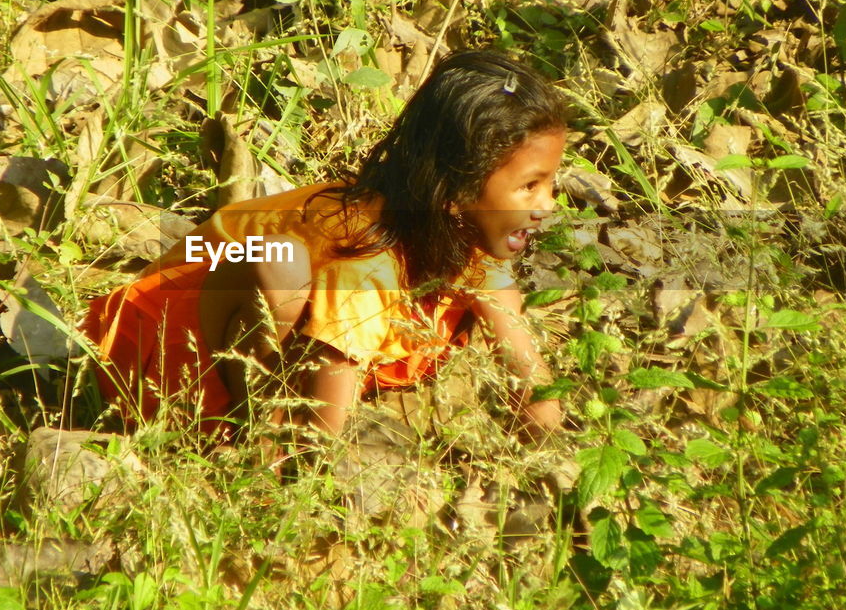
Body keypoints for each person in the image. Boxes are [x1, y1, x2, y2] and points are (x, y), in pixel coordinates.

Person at [83, 49, 567, 445]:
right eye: (529, 186)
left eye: (550, 183)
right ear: (457, 194)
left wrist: (554, 466)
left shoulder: (466, 237)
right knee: (284, 265)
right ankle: (258, 442)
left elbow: (531, 382)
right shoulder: (363, 259)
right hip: (159, 344)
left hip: (230, 331)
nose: (547, 204)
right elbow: (324, 437)